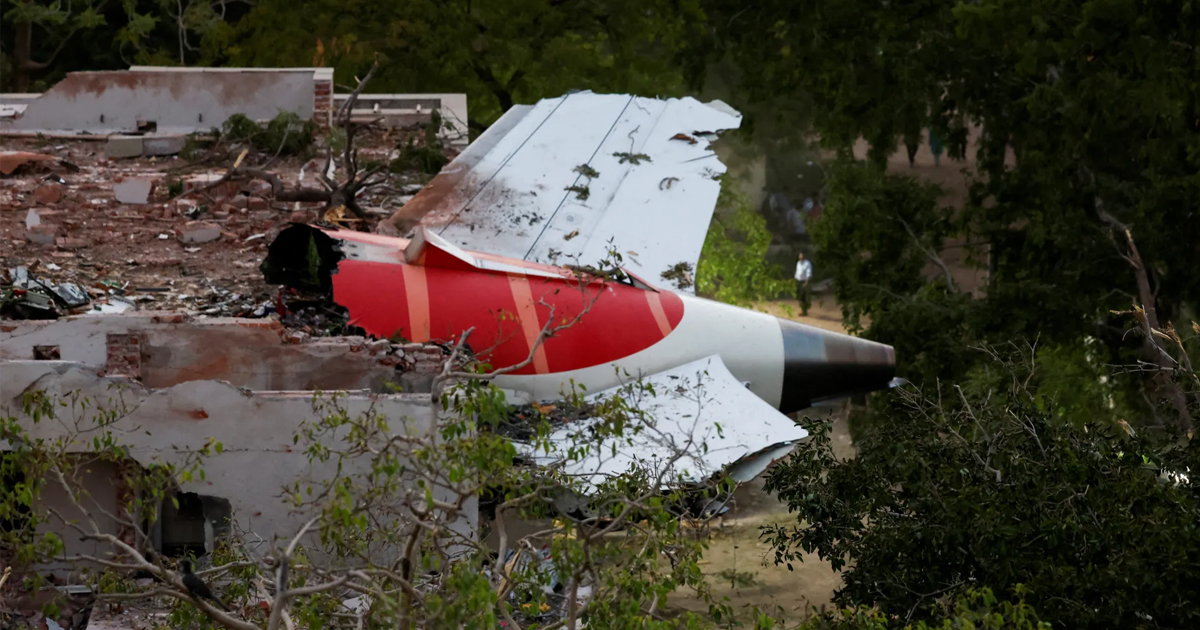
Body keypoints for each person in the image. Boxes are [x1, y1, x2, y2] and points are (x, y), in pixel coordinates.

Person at [794, 252, 813, 316]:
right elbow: (797, 272)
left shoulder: (807, 263)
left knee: (803, 297)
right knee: (799, 296)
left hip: (804, 281)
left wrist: (806, 283)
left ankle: (804, 311)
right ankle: (803, 309)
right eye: (799, 256)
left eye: (801, 256)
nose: (800, 257)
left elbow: (809, 274)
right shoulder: (798, 263)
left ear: (804, 256)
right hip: (799, 281)